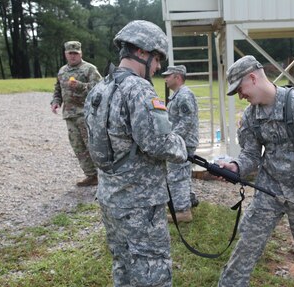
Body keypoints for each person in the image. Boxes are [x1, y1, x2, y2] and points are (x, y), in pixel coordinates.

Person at [84, 20, 187, 287]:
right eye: (157, 59)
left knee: (123, 263)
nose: (158, 68)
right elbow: (157, 142)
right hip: (140, 202)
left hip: (110, 197)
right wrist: (182, 147)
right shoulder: (139, 89)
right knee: (152, 269)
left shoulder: (99, 88)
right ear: (142, 52)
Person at [218, 55, 294, 287]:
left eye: (239, 89)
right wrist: (236, 167)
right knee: (245, 249)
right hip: (269, 191)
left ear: (252, 78)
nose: (240, 96)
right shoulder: (252, 116)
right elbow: (250, 155)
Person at [50, 41, 102, 186]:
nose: (73, 56)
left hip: (86, 114)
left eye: (75, 53)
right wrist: (55, 102)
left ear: (80, 54)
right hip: (70, 115)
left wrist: (80, 86)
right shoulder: (62, 71)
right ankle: (91, 176)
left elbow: (100, 89)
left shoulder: (89, 69)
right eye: (70, 53)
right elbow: (58, 90)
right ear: (65, 54)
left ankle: (104, 176)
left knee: (92, 145)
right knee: (78, 146)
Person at [162, 65, 200, 222]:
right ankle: (188, 200)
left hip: (182, 142)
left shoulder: (184, 95)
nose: (165, 78)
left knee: (177, 175)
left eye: (168, 75)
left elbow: (187, 120)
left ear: (177, 77)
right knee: (183, 173)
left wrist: (173, 139)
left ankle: (182, 211)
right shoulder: (178, 95)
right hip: (182, 141)